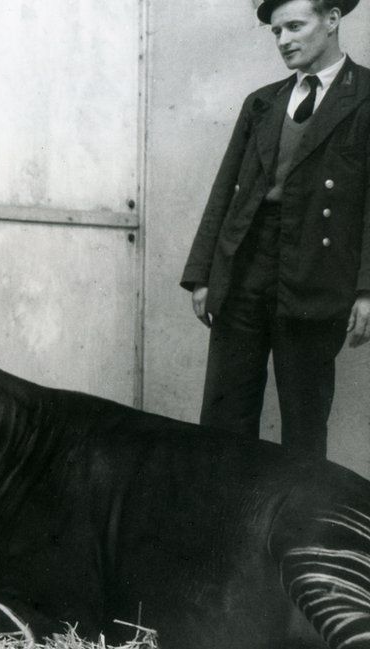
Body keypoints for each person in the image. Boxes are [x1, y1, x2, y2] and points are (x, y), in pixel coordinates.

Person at [180, 0, 370, 458]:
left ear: (331, 20)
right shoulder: (262, 102)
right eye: (276, 32)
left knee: (304, 424)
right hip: (245, 264)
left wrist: (367, 289)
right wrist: (203, 272)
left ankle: (295, 529)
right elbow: (226, 190)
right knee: (225, 415)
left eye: (294, 26)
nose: (284, 40)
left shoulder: (365, 96)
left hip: (315, 273)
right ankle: (223, 522)